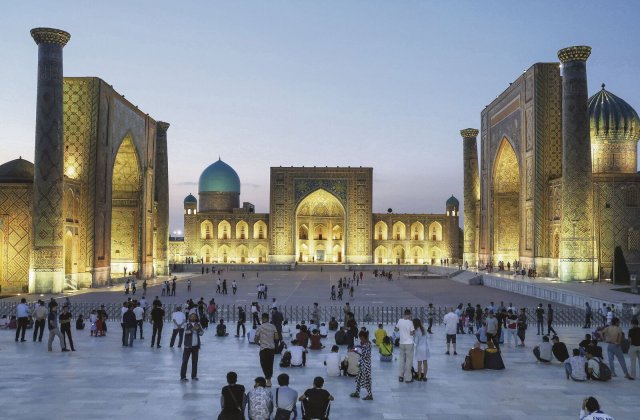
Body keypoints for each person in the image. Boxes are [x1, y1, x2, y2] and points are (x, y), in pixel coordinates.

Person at [254, 312, 278, 387]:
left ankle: (267, 379)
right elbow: (277, 337)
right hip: (271, 349)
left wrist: (259, 343)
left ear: (262, 319)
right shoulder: (273, 326)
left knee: (264, 364)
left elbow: (255, 339)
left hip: (263, 349)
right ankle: (269, 380)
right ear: (268, 319)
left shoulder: (260, 327)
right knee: (270, 364)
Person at [350, 330, 373, 400]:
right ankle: (357, 392)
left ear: (363, 337)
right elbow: (360, 348)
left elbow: (364, 355)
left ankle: (370, 395)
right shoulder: (365, 343)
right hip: (362, 364)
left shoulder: (366, 344)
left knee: (367, 380)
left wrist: (355, 351)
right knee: (359, 378)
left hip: (365, 365)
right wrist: (356, 348)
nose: (360, 339)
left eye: (360, 337)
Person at [180, 313, 204, 381]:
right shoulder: (186, 324)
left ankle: (194, 376)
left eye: (194, 317)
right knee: (185, 361)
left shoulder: (198, 324)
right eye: (192, 316)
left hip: (196, 346)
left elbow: (202, 333)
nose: (193, 318)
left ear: (196, 318)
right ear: (189, 317)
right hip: (187, 346)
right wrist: (192, 329)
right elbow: (186, 332)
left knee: (195, 362)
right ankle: (183, 376)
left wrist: (198, 330)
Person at [396, 308, 415, 383]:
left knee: (401, 360)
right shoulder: (410, 322)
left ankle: (401, 376)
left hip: (402, 343)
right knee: (408, 361)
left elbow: (396, 329)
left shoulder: (400, 321)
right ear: (409, 315)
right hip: (409, 343)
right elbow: (412, 333)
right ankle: (408, 378)